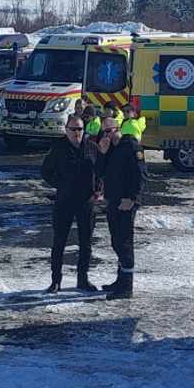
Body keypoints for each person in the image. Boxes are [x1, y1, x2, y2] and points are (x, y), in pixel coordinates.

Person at [40, 115, 100, 292]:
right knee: (59, 242)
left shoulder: (91, 147)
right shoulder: (58, 148)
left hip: (86, 201)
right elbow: (45, 172)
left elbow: (101, 170)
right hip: (64, 201)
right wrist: (61, 184)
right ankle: (56, 281)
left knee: (86, 242)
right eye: (73, 129)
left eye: (79, 129)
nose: (76, 133)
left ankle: (83, 279)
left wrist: (97, 187)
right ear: (66, 130)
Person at [98, 116, 146, 299]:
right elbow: (100, 172)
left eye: (110, 130)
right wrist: (102, 153)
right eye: (105, 131)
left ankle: (126, 287)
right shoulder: (110, 149)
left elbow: (141, 175)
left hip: (126, 202)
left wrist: (133, 199)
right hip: (113, 201)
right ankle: (120, 279)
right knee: (116, 241)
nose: (108, 135)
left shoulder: (131, 146)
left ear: (118, 129)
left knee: (125, 243)